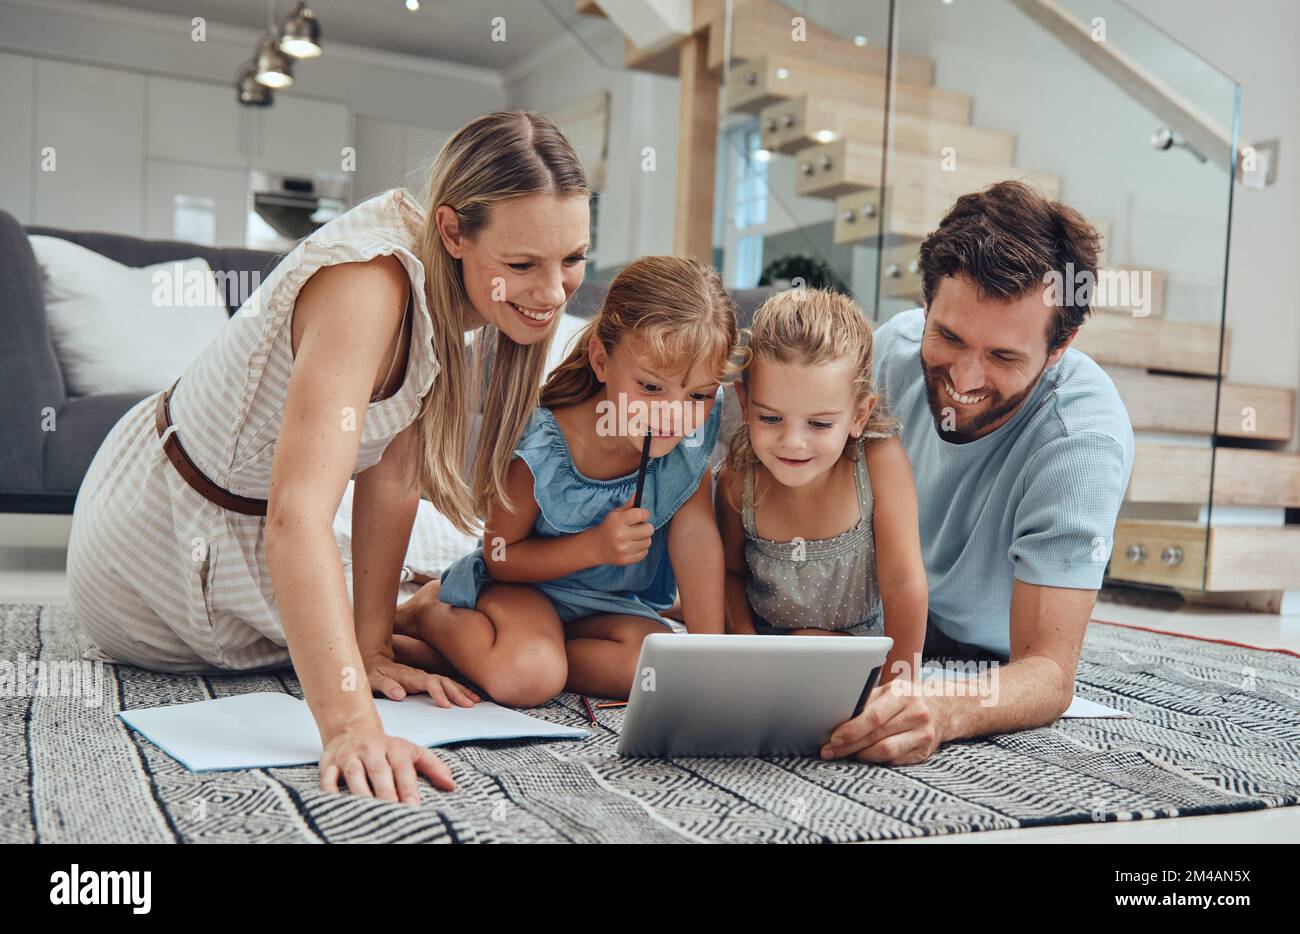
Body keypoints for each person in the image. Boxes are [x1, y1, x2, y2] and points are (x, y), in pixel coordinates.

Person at [66, 111, 592, 804]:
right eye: (522, 264)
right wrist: (349, 723)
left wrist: (370, 647)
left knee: (424, 637)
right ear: (452, 232)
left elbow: (394, 473)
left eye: (574, 260)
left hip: (248, 528)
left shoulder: (455, 296)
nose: (552, 294)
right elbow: (296, 519)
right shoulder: (367, 285)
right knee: (409, 628)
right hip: (156, 542)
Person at [823, 180, 1135, 766]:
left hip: (991, 651)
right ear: (926, 307)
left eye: (1003, 356)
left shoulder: (1082, 437)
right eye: (948, 336)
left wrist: (944, 709)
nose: (964, 381)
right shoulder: (891, 353)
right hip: (882, 611)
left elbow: (1047, 673)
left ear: (1060, 346)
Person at [394, 256, 737, 701]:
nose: (674, 414)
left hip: (606, 606)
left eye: (699, 395)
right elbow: (501, 556)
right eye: (651, 388)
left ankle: (491, 655)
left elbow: (696, 539)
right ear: (600, 359)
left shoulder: (690, 438)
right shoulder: (545, 445)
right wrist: (595, 547)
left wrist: (707, 657)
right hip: (522, 590)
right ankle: (427, 612)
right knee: (530, 678)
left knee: (660, 670)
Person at [714, 288, 927, 686]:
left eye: (819, 424)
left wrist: (899, 686)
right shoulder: (739, 478)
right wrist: (744, 649)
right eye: (771, 418)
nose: (793, 442)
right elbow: (729, 574)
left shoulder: (877, 464)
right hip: (768, 651)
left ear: (859, 415)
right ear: (745, 404)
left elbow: (904, 583)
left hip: (862, 654)